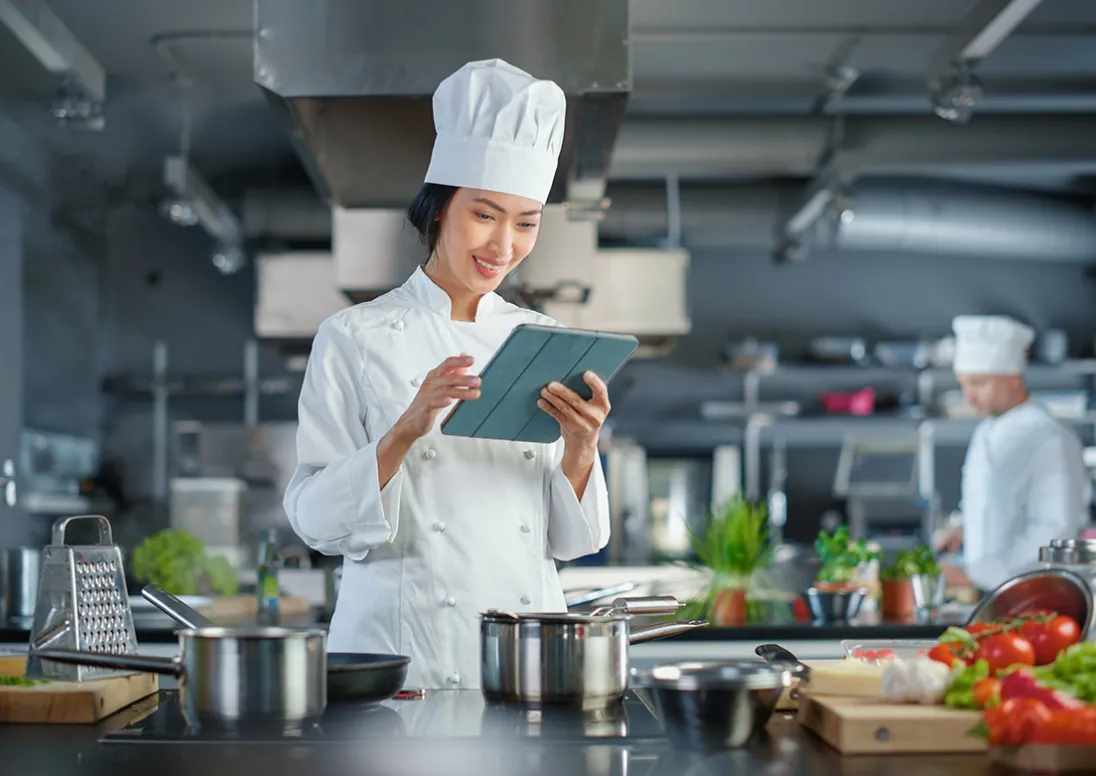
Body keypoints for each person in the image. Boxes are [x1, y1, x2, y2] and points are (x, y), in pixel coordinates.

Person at [282, 59, 612, 691]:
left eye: (526, 222)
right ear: (439, 209)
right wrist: (404, 432)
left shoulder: (545, 340)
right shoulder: (354, 336)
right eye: (484, 215)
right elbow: (313, 521)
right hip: (399, 656)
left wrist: (581, 448)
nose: (504, 245)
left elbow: (576, 541)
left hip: (526, 653)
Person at [935, 315, 1088, 593]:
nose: (969, 396)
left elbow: (1056, 529)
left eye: (979, 383)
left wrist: (977, 575)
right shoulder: (986, 431)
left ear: (1014, 378)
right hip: (990, 592)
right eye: (964, 384)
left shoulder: (1051, 437)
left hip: (1033, 593)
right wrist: (963, 529)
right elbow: (991, 504)